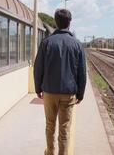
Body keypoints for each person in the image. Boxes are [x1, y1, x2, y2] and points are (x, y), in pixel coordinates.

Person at [34, 9, 86, 155]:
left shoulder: (46, 43)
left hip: (49, 92)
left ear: (56, 22)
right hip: (68, 93)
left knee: (50, 125)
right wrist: (80, 94)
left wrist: (38, 88)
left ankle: (50, 152)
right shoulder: (77, 45)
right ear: (69, 23)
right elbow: (82, 72)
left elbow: (38, 68)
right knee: (64, 128)